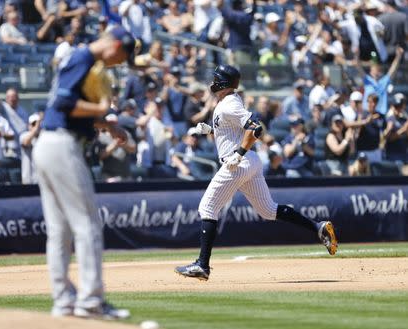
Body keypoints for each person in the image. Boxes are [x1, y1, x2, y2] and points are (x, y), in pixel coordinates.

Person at [175, 65, 337, 280]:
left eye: (216, 78)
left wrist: (239, 153)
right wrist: (213, 130)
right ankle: (318, 227)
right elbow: (236, 127)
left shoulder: (230, 103)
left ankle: (202, 265)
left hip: (238, 162)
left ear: (223, 82)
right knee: (269, 211)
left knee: (207, 207)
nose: (212, 82)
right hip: (249, 162)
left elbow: (256, 128)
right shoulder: (228, 102)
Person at [32, 26, 137, 319]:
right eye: (122, 57)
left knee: (59, 231)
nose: (118, 63)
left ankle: (63, 301)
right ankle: (90, 300)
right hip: (62, 146)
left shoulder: (77, 58)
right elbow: (65, 103)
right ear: (116, 46)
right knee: (87, 224)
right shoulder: (83, 58)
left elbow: (65, 109)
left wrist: (106, 123)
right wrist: (101, 108)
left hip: (49, 142)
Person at [359, 46, 404, 115]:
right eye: (375, 69)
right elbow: (358, 67)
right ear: (371, 71)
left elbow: (393, 69)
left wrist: (398, 57)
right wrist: (356, 55)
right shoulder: (367, 80)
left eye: (378, 69)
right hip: (367, 113)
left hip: (380, 114)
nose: (377, 71)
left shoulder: (384, 81)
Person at [20, 112, 42, 184]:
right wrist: (36, 128)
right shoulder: (24, 135)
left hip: (42, 181)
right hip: (29, 180)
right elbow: (26, 142)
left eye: (38, 124)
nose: (36, 126)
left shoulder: (45, 138)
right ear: (28, 125)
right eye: (33, 124)